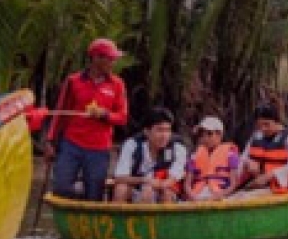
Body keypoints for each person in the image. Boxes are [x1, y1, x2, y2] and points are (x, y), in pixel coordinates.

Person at [45, 39, 129, 201]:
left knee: (95, 194)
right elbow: (60, 113)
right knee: (61, 187)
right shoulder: (73, 81)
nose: (113, 62)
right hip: (72, 144)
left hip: (99, 147)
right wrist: (50, 141)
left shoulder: (117, 84)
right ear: (96, 58)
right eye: (109, 59)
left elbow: (123, 117)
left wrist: (105, 115)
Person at [110, 106, 188, 204]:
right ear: (146, 132)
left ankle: (163, 219)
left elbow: (172, 179)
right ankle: (119, 218)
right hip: (137, 187)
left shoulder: (178, 147)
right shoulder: (132, 144)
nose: (164, 136)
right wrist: (145, 181)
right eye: (159, 130)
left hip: (163, 188)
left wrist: (154, 186)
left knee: (164, 191)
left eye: (168, 130)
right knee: (120, 188)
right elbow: (119, 177)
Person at [237, 104, 288, 192]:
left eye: (266, 124)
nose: (263, 129)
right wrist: (247, 163)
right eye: (259, 125)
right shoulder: (256, 136)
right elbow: (242, 159)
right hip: (260, 187)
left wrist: (269, 176)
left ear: (277, 122)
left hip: (287, 187)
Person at [185, 116, 242, 200]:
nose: (205, 138)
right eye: (202, 135)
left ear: (220, 135)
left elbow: (234, 183)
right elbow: (187, 184)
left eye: (209, 134)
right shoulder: (194, 156)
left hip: (220, 193)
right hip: (197, 195)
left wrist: (220, 195)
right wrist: (193, 197)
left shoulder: (230, 155)